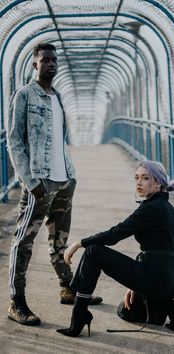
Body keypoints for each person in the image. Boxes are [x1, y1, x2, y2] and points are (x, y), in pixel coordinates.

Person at [7, 43, 102, 326]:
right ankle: (16, 302)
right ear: (35, 65)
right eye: (45, 60)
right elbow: (14, 141)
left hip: (64, 182)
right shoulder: (24, 95)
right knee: (23, 241)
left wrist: (71, 176)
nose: (51, 64)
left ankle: (67, 288)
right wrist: (30, 181)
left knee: (58, 239)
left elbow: (59, 141)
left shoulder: (58, 97)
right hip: (40, 183)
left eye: (54, 60)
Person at [56, 160, 174, 337]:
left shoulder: (151, 208)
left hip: (156, 278)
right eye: (136, 178)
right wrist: (134, 284)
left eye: (145, 178)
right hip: (172, 280)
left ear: (158, 183)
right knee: (127, 311)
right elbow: (158, 251)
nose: (139, 183)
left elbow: (114, 235)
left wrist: (79, 243)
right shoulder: (167, 207)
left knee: (93, 251)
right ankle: (172, 307)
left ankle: (79, 314)